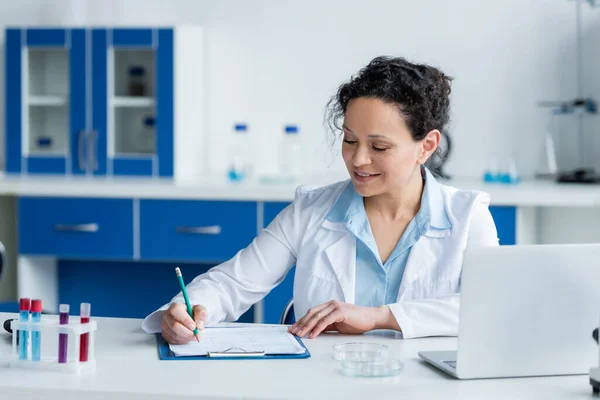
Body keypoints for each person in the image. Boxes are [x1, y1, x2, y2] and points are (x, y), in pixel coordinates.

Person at [142, 56, 499, 343]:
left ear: (427, 146)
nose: (358, 160)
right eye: (349, 140)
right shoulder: (311, 210)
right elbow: (233, 283)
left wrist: (377, 317)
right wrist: (184, 313)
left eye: (379, 147)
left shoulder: (468, 217)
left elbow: (488, 309)